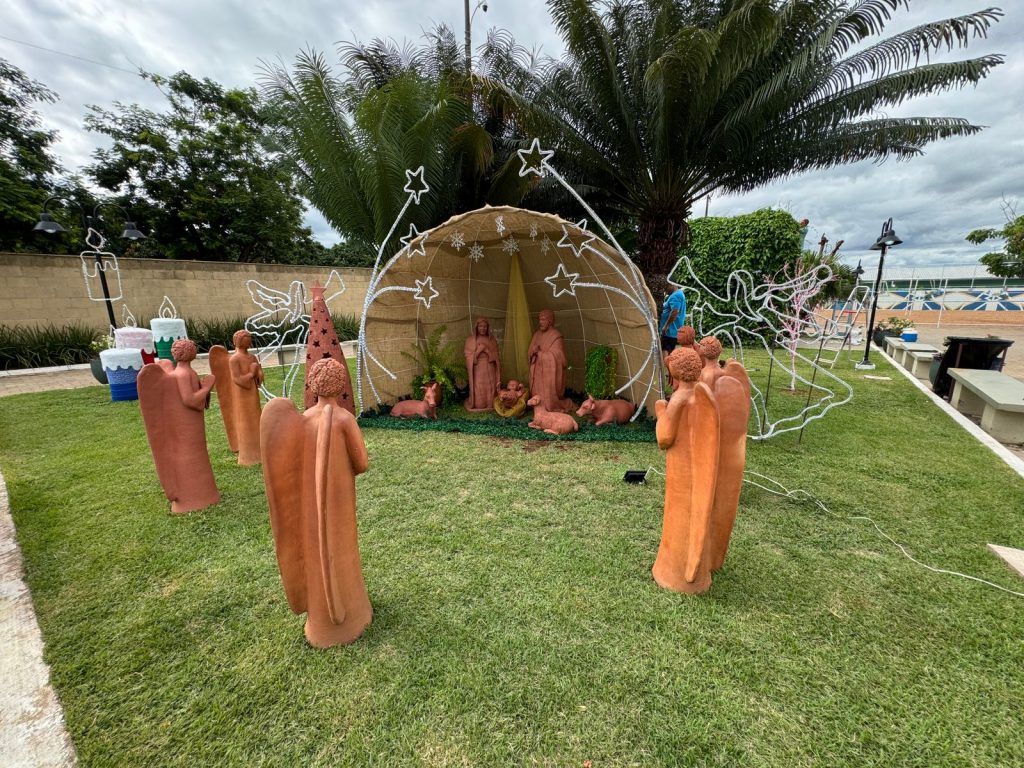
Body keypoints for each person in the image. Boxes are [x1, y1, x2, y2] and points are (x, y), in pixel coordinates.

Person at [527, 309, 573, 412]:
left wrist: (540, 353)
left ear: (550, 321)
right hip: (537, 371)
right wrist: (533, 352)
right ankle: (537, 406)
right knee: (536, 395)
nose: (540, 322)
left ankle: (552, 404)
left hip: (548, 374)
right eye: (540, 320)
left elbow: (559, 357)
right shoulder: (537, 334)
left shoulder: (556, 336)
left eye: (543, 320)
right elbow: (530, 351)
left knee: (548, 401)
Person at [464, 317, 501, 412]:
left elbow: (496, 357)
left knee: (490, 387)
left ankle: (490, 404)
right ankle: (479, 403)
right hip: (478, 369)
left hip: (490, 367)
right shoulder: (470, 340)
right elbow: (468, 357)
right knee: (479, 388)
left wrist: (487, 351)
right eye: (480, 326)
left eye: (485, 326)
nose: (483, 328)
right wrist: (479, 351)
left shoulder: (492, 340)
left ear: (488, 327)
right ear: (477, 327)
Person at [660, 286, 687, 359]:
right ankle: (670, 368)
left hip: (669, 331)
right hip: (672, 331)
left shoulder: (676, 295)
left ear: (672, 285)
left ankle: (665, 369)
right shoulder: (678, 293)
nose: (665, 289)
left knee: (665, 350)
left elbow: (675, 311)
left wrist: (666, 326)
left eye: (666, 287)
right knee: (670, 352)